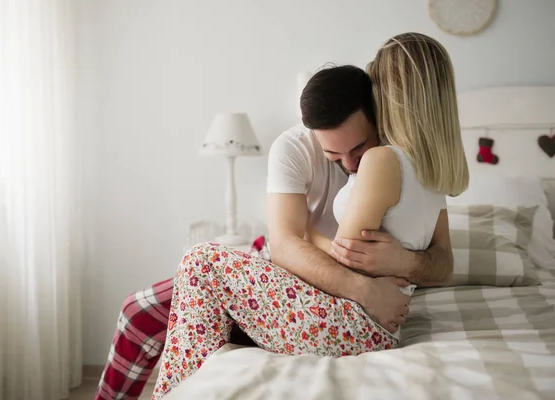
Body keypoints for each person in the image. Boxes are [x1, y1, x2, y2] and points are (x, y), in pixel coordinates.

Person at [95, 32, 466, 400]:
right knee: (139, 310)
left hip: (339, 313)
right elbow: (287, 246)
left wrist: (400, 261)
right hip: (300, 287)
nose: (351, 164)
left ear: (379, 110)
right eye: (334, 156)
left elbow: (379, 255)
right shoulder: (423, 167)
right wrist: (364, 286)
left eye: (359, 148)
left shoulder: (386, 158)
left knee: (200, 262)